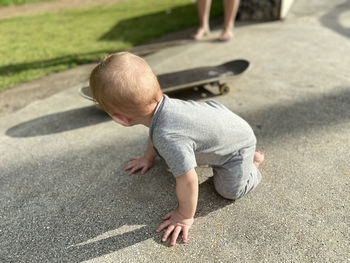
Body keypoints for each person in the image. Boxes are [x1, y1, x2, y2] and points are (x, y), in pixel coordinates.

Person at [89, 52, 264, 246]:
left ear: (121, 119)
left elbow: (189, 180)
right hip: (224, 120)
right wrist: (148, 158)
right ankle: (243, 158)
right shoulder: (165, 109)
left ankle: (252, 166)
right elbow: (155, 134)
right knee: (176, 151)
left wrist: (184, 215)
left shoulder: (168, 137)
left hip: (237, 147)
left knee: (228, 191)